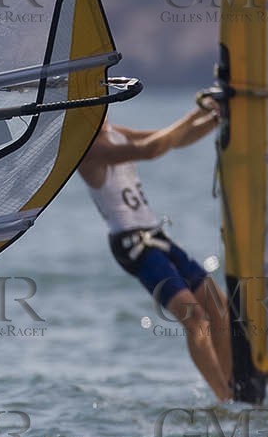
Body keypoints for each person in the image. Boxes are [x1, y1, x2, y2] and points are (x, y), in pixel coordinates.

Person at [79, 103, 234, 401]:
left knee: (220, 308)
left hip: (155, 234)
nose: (103, 112)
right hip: (132, 245)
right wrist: (195, 114)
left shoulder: (116, 134)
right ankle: (223, 399)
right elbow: (151, 150)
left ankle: (232, 389)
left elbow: (173, 139)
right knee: (195, 318)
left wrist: (214, 118)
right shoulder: (89, 150)